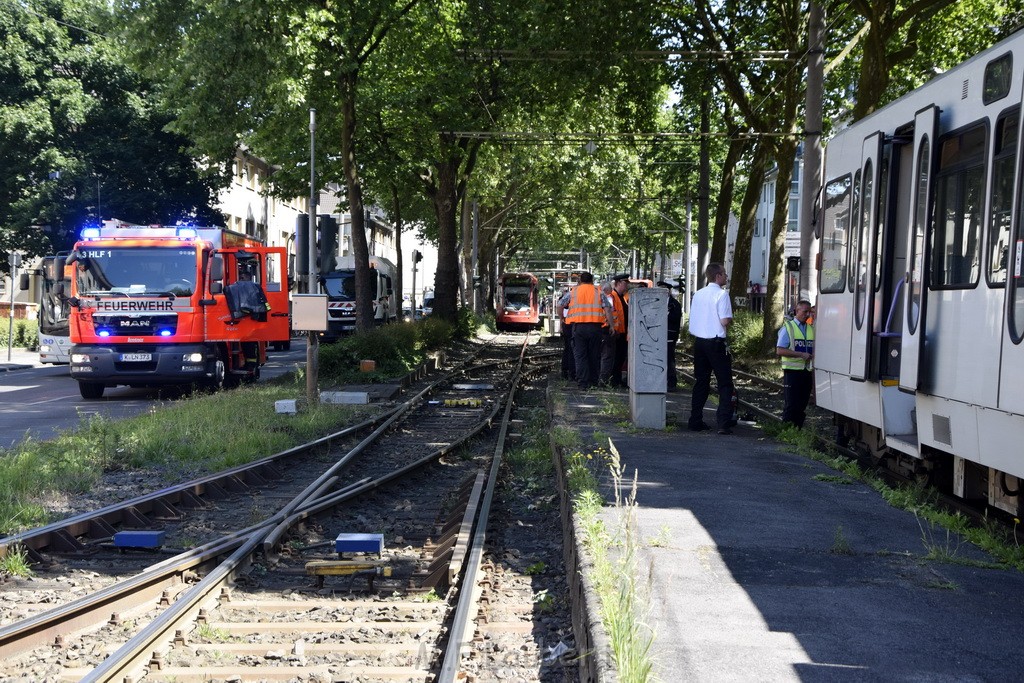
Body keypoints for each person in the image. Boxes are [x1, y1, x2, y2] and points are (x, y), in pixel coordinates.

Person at [688, 263, 736, 434]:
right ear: (718, 276)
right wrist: (730, 320)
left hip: (699, 342)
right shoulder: (722, 295)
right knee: (725, 383)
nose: (726, 276)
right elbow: (724, 321)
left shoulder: (698, 294)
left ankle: (695, 420)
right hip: (716, 343)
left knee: (701, 382)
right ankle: (723, 423)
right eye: (724, 273)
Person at [565, 271, 614, 390]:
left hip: (578, 328)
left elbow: (560, 304)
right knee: (594, 355)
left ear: (580, 280)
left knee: (580, 356)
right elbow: (607, 309)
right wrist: (611, 325)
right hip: (595, 328)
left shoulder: (573, 292)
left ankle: (582, 383)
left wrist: (562, 318)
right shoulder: (599, 292)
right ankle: (593, 382)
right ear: (592, 280)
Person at [776, 299, 815, 428]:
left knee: (802, 405)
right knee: (791, 404)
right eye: (805, 312)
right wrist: (800, 355)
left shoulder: (811, 329)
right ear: (796, 311)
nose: (807, 315)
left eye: (809, 312)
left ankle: (796, 431)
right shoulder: (788, 328)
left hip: (806, 371)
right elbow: (780, 350)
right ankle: (786, 432)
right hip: (792, 372)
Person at [658, 280, 683, 390]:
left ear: (668, 291)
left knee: (669, 358)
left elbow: (675, 318)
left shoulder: (674, 304)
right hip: (658, 335)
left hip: (669, 335)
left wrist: (664, 315)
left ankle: (672, 382)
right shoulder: (657, 302)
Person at [557, 287, 575, 381]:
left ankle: (566, 371)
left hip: (567, 325)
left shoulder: (564, 300)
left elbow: (560, 309)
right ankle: (569, 371)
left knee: (568, 349)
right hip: (571, 326)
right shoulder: (573, 298)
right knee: (570, 349)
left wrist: (561, 323)